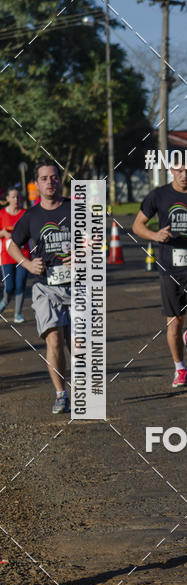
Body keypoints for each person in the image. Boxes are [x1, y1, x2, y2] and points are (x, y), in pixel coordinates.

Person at [133, 157, 187, 387]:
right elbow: (137, 225)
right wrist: (155, 235)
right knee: (175, 322)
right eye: (179, 170)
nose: (184, 175)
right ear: (171, 170)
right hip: (170, 267)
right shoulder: (158, 195)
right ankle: (179, 368)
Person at [8, 161, 72, 413]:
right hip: (46, 287)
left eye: (54, 177)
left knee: (77, 344)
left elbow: (97, 239)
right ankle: (61, 394)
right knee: (54, 340)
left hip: (78, 287)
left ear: (60, 180)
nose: (50, 182)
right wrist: (26, 263)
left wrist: (82, 254)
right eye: (44, 178)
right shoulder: (31, 216)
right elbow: (12, 245)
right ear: (37, 183)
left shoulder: (75, 209)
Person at [0, 187, 30, 322]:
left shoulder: (25, 213)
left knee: (21, 283)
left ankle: (18, 313)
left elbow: (32, 231)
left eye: (18, 197)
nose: (16, 199)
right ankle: (4, 302)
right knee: (10, 286)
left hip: (23, 254)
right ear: (7, 198)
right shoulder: (2, 214)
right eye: (13, 197)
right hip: (6, 256)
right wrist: (3, 233)